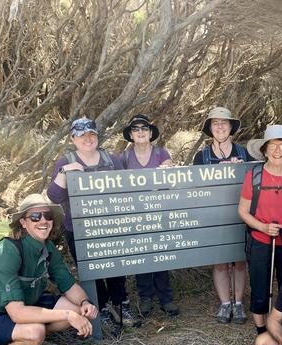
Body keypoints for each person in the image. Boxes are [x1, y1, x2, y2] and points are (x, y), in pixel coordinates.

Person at [0, 194, 98, 345]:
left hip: (26, 303)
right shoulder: (6, 252)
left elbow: (68, 283)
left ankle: (25, 338)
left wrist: (85, 302)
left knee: (77, 309)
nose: (43, 221)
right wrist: (67, 315)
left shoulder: (47, 248)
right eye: (35, 217)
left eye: (47, 216)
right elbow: (17, 313)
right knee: (36, 331)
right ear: (23, 222)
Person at [47, 117, 134, 325]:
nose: (88, 139)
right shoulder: (66, 161)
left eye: (91, 135)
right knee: (90, 271)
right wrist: (64, 173)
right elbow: (54, 196)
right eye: (82, 136)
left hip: (110, 226)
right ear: (73, 139)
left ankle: (121, 304)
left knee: (116, 267)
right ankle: (100, 307)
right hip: (78, 229)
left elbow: (127, 190)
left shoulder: (111, 160)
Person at [239, 124, 282, 335]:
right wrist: (263, 227)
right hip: (261, 241)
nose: (278, 150)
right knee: (260, 288)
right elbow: (242, 211)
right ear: (265, 150)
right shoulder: (254, 176)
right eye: (272, 145)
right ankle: (262, 331)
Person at [193, 106, 253, 324]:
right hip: (214, 216)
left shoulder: (243, 152)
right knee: (219, 262)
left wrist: (239, 169)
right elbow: (196, 187)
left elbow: (252, 181)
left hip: (239, 213)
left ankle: (238, 304)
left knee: (239, 261)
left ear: (230, 127)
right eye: (215, 123)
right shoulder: (202, 156)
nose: (220, 127)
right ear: (210, 128)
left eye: (223, 123)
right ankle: (224, 303)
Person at [120, 114, 180, 317]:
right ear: (130, 134)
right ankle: (146, 297)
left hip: (159, 212)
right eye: (136, 129)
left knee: (161, 254)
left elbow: (171, 178)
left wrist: (168, 168)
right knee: (142, 256)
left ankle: (166, 298)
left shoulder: (161, 153)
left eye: (144, 128)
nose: (140, 132)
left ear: (150, 132)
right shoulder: (124, 157)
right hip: (136, 214)